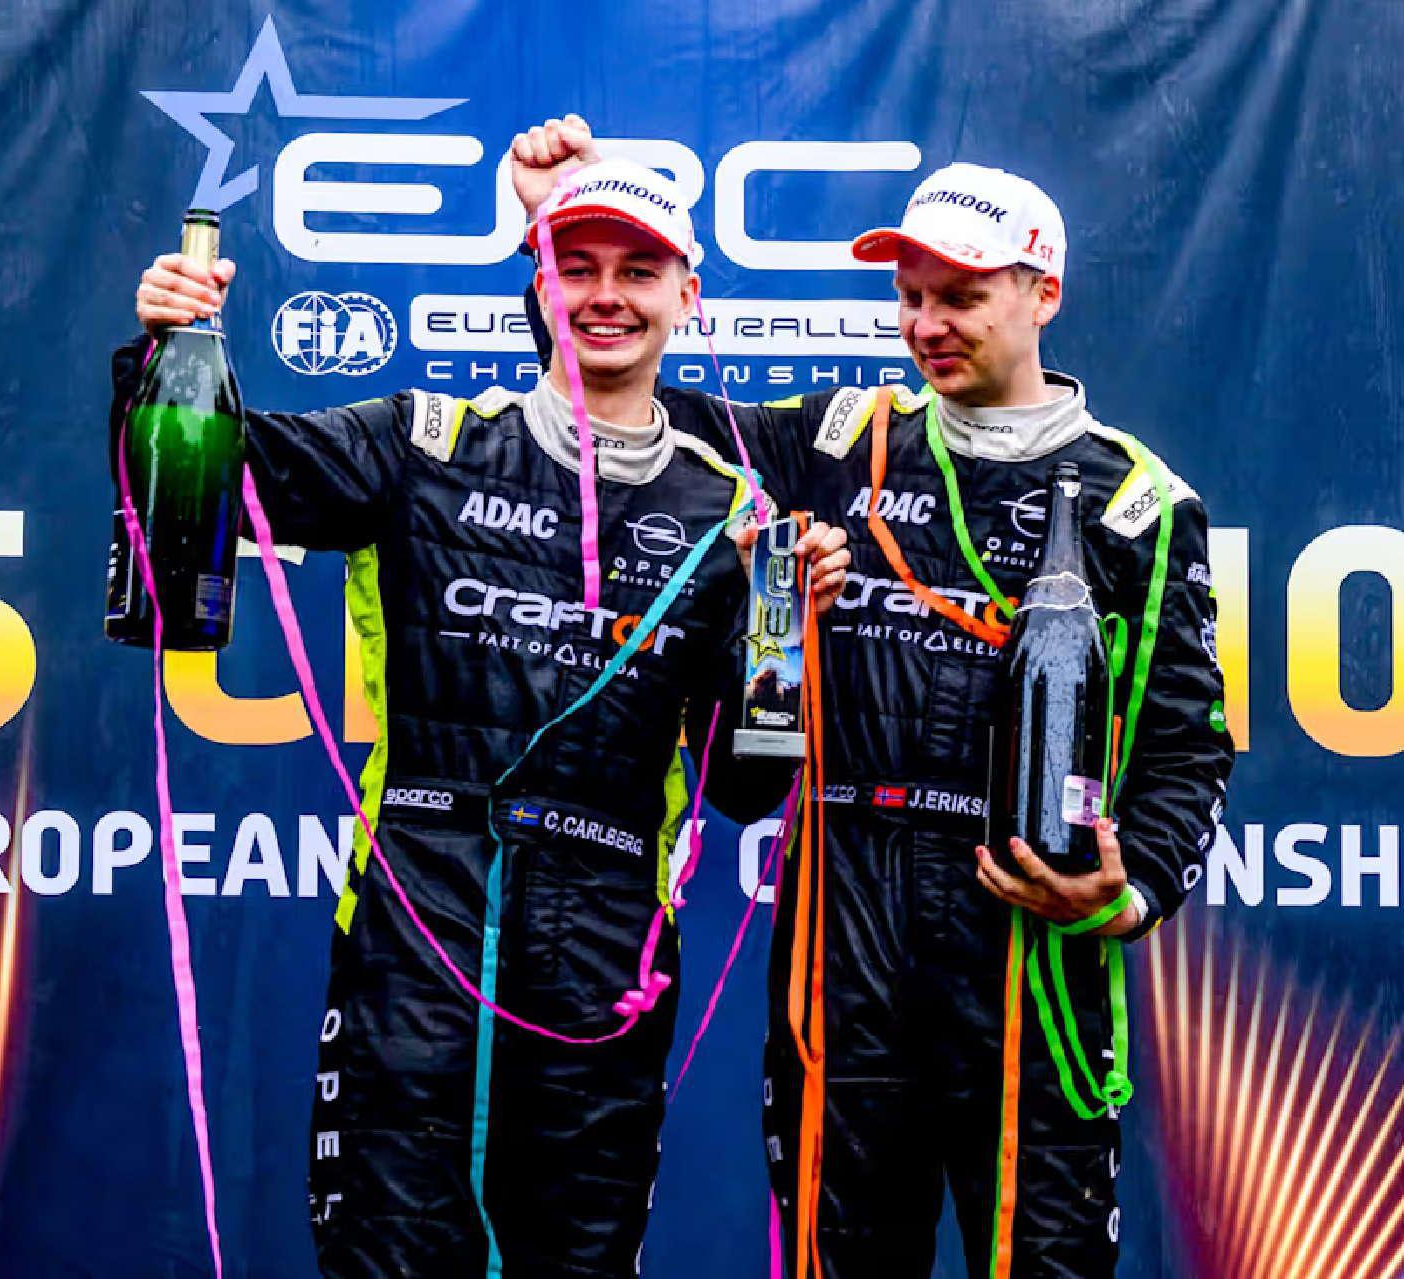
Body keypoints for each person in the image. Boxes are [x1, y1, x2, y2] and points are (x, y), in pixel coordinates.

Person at [512, 119, 1232, 1279]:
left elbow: (1189, 745)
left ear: (1043, 293)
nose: (928, 324)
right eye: (911, 298)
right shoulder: (839, 440)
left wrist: (1133, 889)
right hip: (843, 932)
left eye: (962, 297)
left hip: (1027, 943)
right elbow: (615, 409)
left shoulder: (1136, 502)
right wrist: (549, 235)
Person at [116, 159, 851, 1278]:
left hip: (606, 948)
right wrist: (161, 352)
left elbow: (746, 788)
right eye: (577, 266)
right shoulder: (424, 441)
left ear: (686, 295)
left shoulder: (735, 512)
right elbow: (209, 478)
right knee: (389, 1255)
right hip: (420, 926)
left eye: (637, 271)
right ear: (538, 285)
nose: (606, 295)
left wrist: (781, 643)